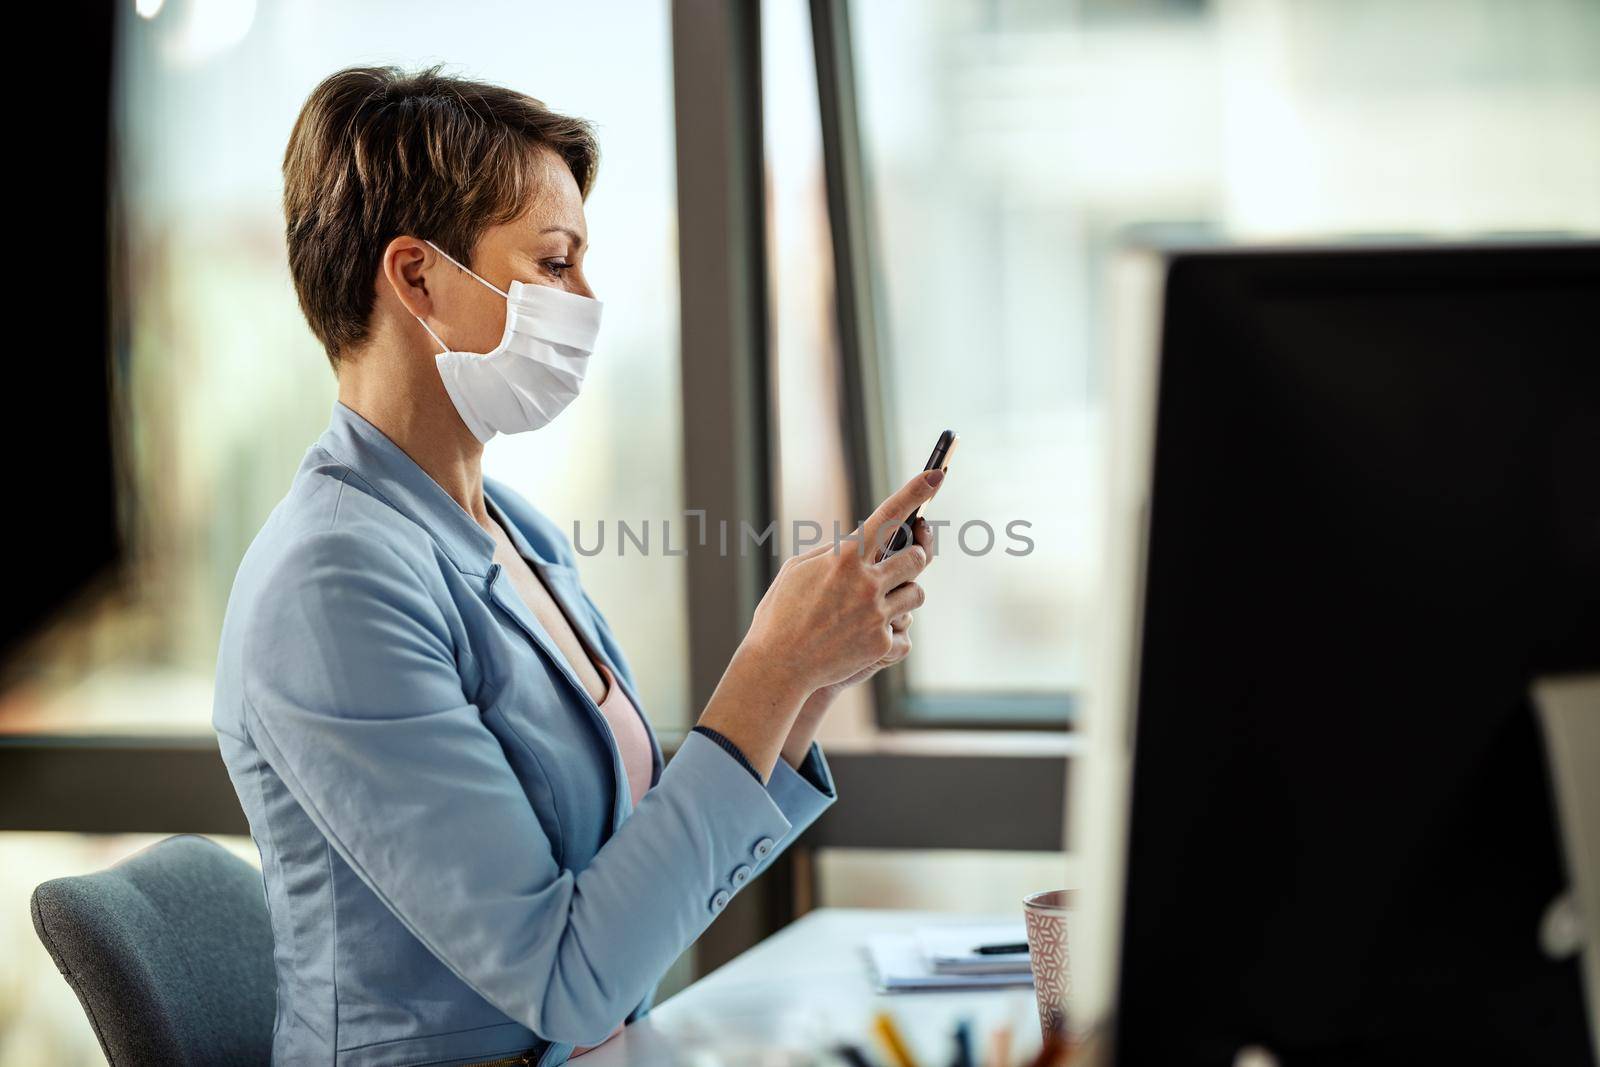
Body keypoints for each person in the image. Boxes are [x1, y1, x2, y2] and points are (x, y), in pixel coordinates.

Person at [212, 65, 941, 1067]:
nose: (587, 301)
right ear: (416, 277)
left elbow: (632, 880)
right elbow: (563, 976)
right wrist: (767, 667)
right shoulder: (330, 585)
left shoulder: (513, 531)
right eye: (555, 263)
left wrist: (809, 673)